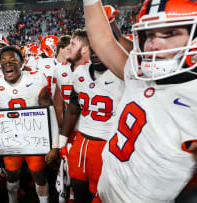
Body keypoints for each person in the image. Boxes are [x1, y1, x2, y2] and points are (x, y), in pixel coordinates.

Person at [82, 0, 197, 202]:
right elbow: (103, 42)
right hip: (105, 191)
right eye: (150, 34)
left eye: (170, 33)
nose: (154, 44)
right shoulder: (139, 71)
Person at [57, 29, 124, 203]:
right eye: (93, 48)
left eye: (103, 48)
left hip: (108, 144)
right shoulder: (80, 72)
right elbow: (73, 108)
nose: (96, 53)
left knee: (101, 195)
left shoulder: (123, 75)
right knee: (78, 191)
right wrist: (62, 140)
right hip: (81, 142)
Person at [0, 46, 58, 203]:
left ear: (22, 63)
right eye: (3, 61)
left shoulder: (36, 79)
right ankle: (12, 200)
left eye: (12, 60)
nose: (7, 64)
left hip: (35, 137)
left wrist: (55, 145)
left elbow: (50, 111)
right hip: (10, 137)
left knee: (38, 173)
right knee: (12, 174)